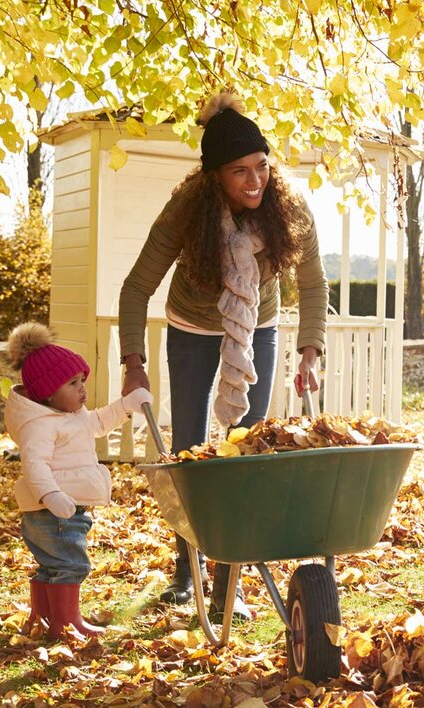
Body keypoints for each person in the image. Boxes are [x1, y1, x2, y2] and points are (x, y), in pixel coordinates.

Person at [119, 92, 329, 619]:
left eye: (261, 166)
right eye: (240, 172)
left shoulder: (289, 207)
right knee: (189, 448)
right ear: (215, 177)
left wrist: (310, 351)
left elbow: (312, 282)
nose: (255, 180)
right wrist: (133, 364)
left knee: (245, 451)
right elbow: (134, 288)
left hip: (256, 326)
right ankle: (184, 570)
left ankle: (225, 582)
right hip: (192, 327)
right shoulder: (186, 214)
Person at [5, 322, 153, 641]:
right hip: (53, 512)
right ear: (46, 392)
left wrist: (127, 405)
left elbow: (99, 422)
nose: (82, 389)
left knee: (52, 566)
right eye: (73, 383)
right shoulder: (40, 426)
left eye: (82, 380)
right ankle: (67, 622)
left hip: (62, 509)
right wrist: (51, 495)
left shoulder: (71, 415)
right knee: (71, 565)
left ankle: (45, 618)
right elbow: (34, 465)